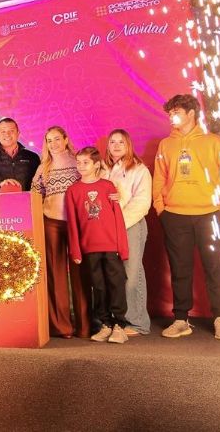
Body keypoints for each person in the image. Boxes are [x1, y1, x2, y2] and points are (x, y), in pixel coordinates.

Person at [153, 94, 220, 340]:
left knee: (215, 268)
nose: (171, 117)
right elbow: (159, 176)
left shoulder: (214, 142)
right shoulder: (166, 145)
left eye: (176, 112)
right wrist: (160, 207)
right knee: (180, 269)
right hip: (175, 215)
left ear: (191, 113)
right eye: (170, 113)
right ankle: (181, 319)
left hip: (210, 214)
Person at [66, 147, 130, 344]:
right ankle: (105, 324)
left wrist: (122, 247)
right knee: (99, 286)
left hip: (111, 245)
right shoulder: (73, 190)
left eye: (85, 162)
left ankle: (119, 325)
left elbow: (118, 218)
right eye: (78, 162)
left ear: (96, 165)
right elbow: (72, 223)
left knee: (116, 283)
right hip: (89, 246)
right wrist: (76, 250)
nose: (81, 166)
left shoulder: (107, 186)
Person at [31, 126, 89, 338]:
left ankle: (84, 326)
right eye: (49, 140)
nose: (53, 144)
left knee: (80, 273)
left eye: (57, 139)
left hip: (76, 223)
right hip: (52, 223)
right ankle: (62, 326)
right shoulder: (43, 168)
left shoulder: (78, 163)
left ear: (65, 139)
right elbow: (35, 197)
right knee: (56, 274)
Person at [103, 129, 152, 336]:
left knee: (132, 273)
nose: (116, 146)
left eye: (120, 142)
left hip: (131, 225)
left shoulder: (139, 169)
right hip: (107, 228)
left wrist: (120, 222)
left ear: (128, 145)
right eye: (112, 142)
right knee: (113, 274)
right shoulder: (102, 169)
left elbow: (142, 202)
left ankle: (138, 322)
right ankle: (116, 319)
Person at [0, 118, 41, 193]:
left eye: (11, 131)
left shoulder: (32, 157)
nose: (7, 134)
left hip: (26, 199)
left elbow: (39, 180)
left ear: (18, 133)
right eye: (3, 131)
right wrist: (2, 182)